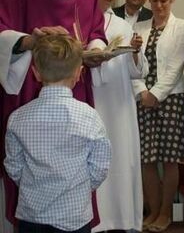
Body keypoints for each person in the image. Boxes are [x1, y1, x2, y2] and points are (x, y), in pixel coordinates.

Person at [0, 0, 107, 231]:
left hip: (76, 84)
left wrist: (97, 46)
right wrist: (30, 41)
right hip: (32, 86)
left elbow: (95, 25)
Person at [4, 34, 112, 233]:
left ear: (36, 73)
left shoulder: (18, 117)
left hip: (32, 216)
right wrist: (80, 188)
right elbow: (100, 167)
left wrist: (32, 186)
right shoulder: (89, 116)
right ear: (79, 73)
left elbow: (13, 165)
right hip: (75, 215)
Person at [133, 0, 184, 232]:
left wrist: (155, 94)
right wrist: (142, 93)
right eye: (155, 0)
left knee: (169, 160)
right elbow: (132, 66)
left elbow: (175, 68)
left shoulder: (183, 27)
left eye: (164, 0)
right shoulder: (139, 28)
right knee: (146, 159)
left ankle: (166, 213)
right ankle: (153, 210)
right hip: (143, 98)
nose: (159, 5)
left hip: (171, 99)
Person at [91, 0, 148, 232]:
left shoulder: (122, 25)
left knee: (120, 156)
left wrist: (135, 51)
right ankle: (96, 220)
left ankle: (122, 218)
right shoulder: (77, 18)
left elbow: (137, 71)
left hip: (118, 100)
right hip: (91, 98)